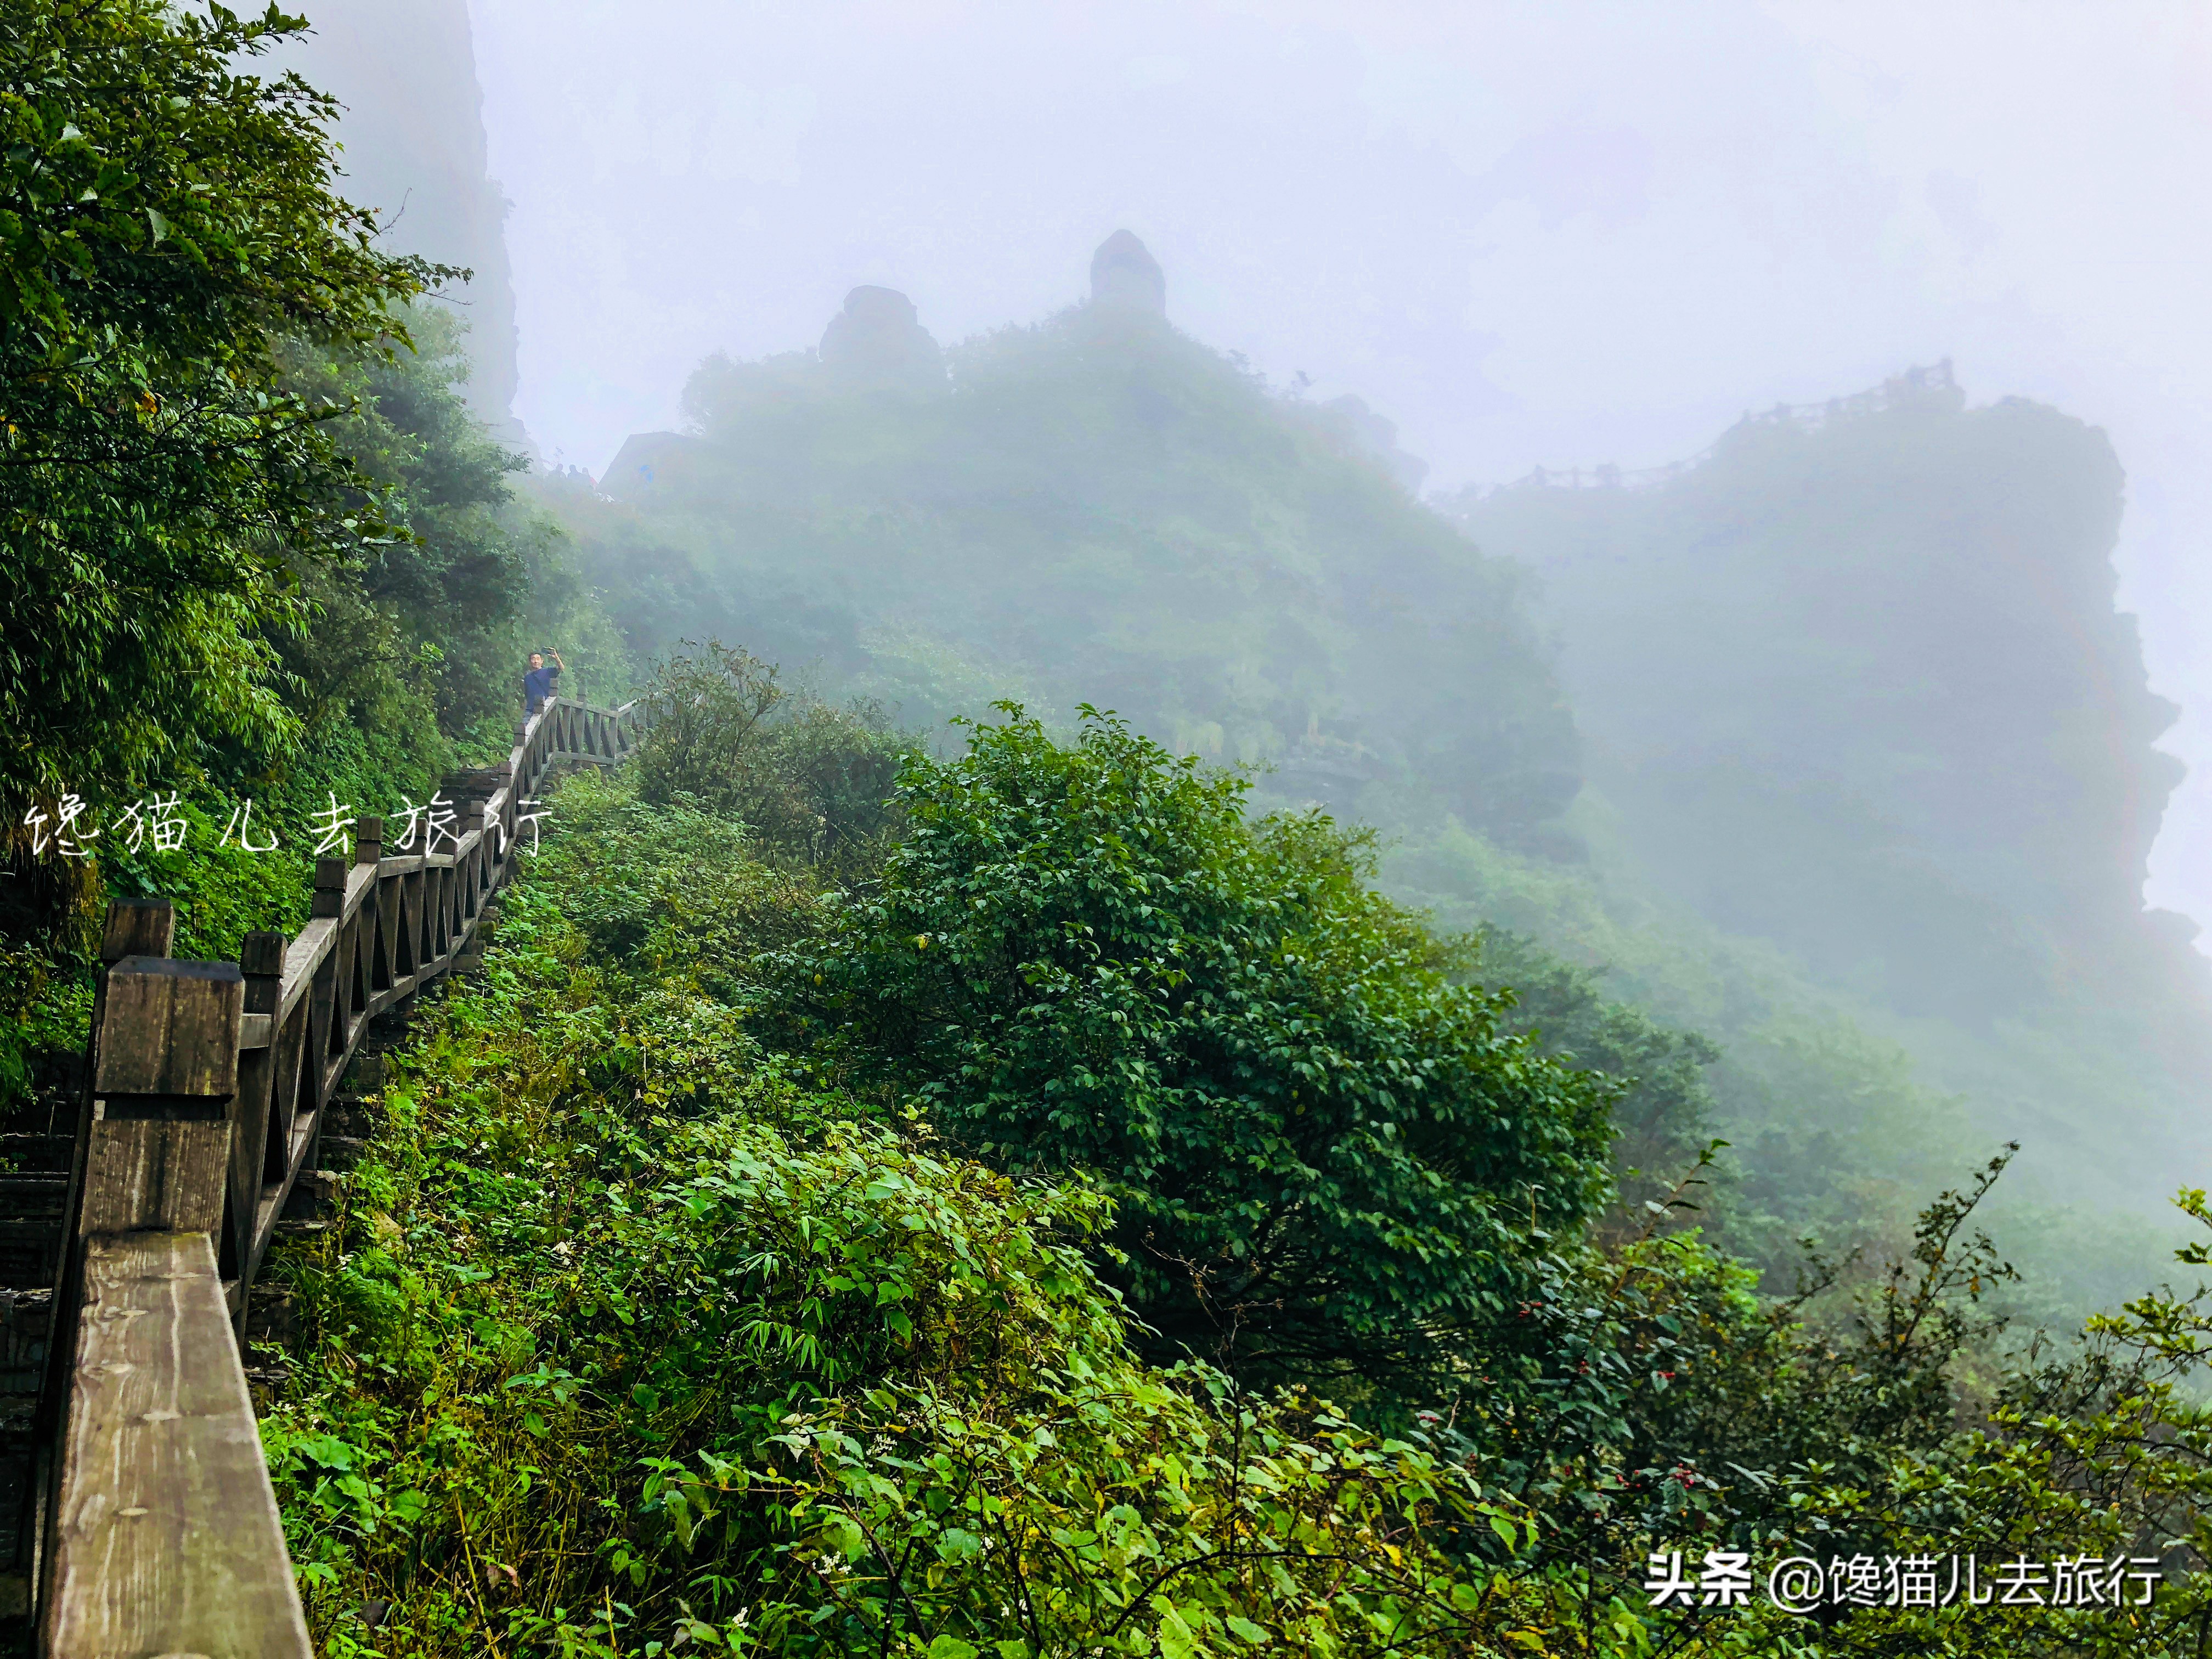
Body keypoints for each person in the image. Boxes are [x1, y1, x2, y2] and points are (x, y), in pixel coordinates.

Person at [523, 649, 565, 715]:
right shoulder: (527, 678)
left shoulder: (547, 672)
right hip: (530, 710)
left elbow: (561, 668)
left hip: (545, 710)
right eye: (533, 659)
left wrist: (556, 658)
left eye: (538, 659)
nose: (536, 661)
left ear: (542, 661)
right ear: (530, 661)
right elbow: (527, 696)